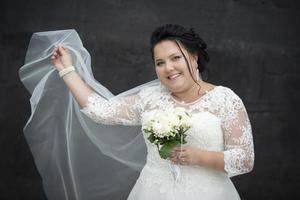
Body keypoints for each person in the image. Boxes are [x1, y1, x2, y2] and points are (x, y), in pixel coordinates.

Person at [21, 24, 254, 200]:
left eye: (175, 58)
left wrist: (198, 157)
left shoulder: (224, 99)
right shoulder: (150, 98)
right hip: (152, 191)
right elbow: (100, 111)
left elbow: (245, 160)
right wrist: (67, 70)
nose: (168, 68)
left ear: (194, 58)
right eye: (160, 62)